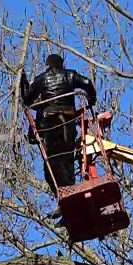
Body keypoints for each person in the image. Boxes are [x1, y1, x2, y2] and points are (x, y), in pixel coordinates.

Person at [21, 53, 97, 216]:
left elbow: (27, 99)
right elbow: (87, 83)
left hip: (50, 123)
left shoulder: (42, 79)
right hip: (68, 120)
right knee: (67, 161)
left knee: (52, 167)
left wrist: (23, 80)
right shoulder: (70, 75)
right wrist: (92, 99)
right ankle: (69, 202)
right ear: (61, 64)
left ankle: (67, 201)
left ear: (48, 65)